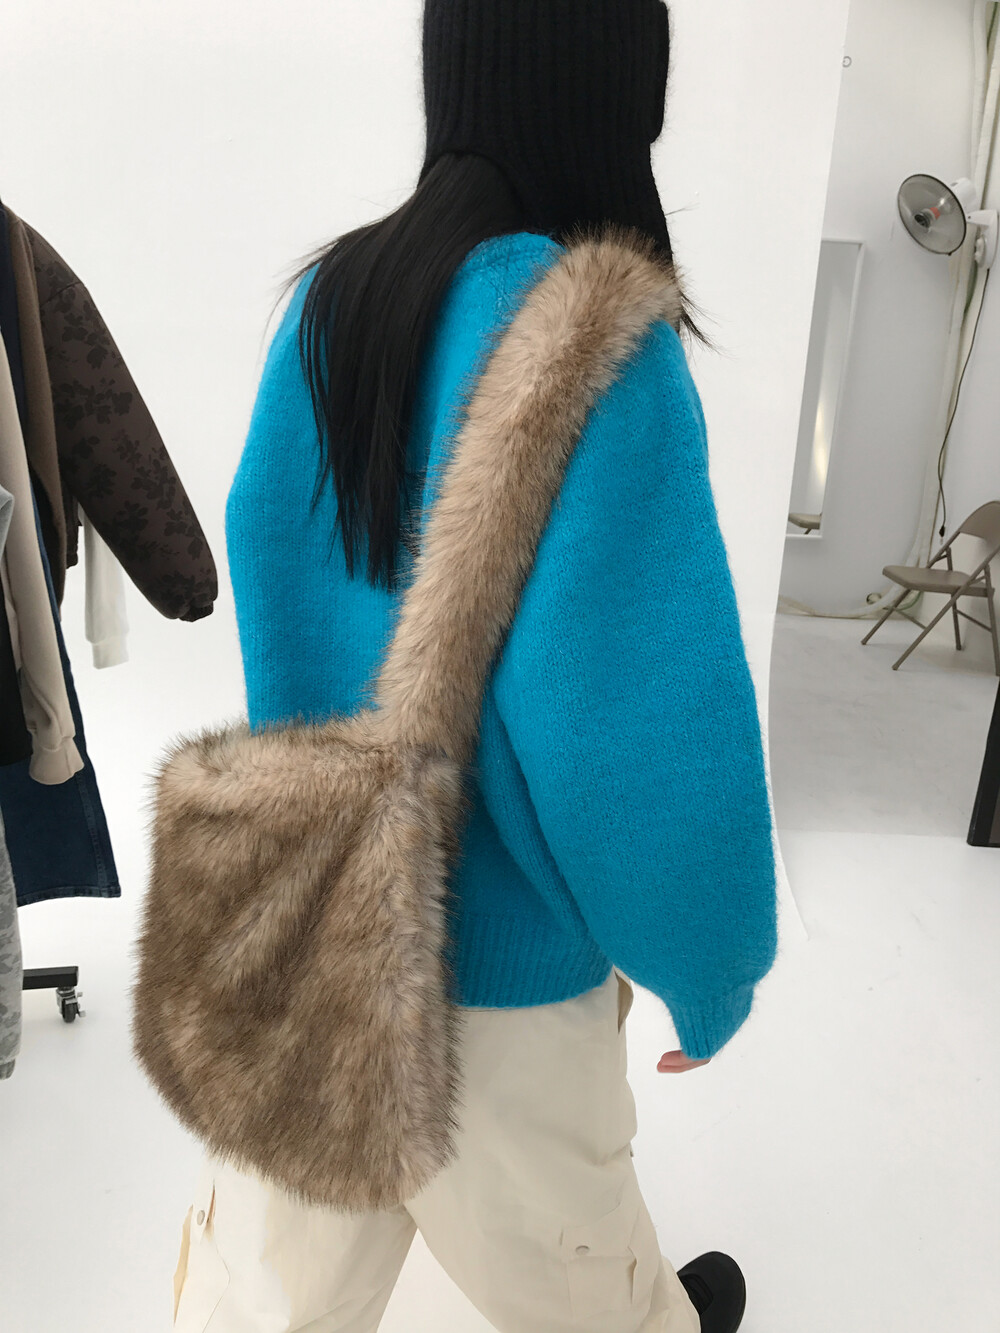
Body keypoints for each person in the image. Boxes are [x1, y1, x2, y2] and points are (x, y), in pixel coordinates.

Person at [171, 2, 778, 1330]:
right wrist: (711, 958)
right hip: (489, 986)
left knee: (264, 1302)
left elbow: (273, 571)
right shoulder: (595, 338)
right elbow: (634, 725)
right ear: (615, 103)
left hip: (309, 937)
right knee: (592, 1299)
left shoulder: (337, 301)